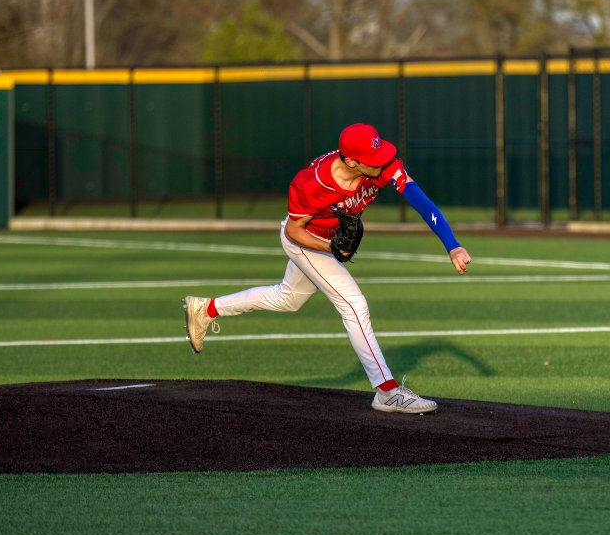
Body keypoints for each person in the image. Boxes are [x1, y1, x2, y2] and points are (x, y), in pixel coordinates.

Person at [182, 122, 472, 414]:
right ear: (351, 161)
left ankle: (206, 309)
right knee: (354, 305)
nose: (383, 161)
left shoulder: (382, 165)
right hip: (306, 242)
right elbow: (293, 231)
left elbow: (421, 200)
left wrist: (453, 245)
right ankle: (387, 391)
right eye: (373, 159)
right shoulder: (312, 183)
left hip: (325, 240)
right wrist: (332, 249)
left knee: (287, 299)